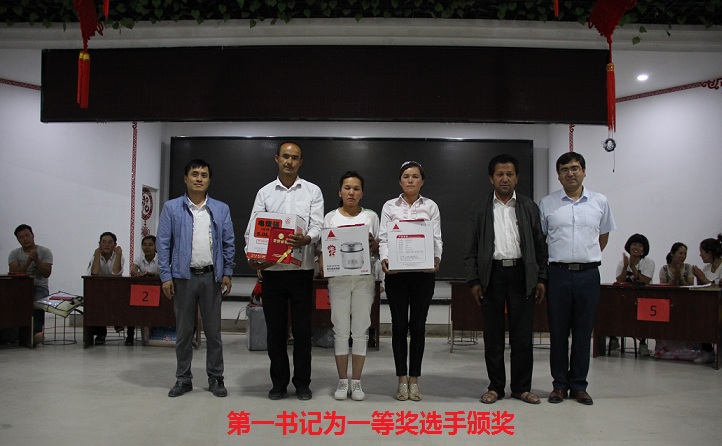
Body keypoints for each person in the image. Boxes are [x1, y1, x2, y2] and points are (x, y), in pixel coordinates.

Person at [464, 154, 548, 405]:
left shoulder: (529, 207)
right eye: (499, 174)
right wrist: (473, 280)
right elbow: (471, 247)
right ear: (491, 178)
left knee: (522, 335)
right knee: (493, 336)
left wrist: (541, 277)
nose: (504, 179)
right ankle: (496, 387)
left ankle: (521, 388)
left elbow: (540, 246)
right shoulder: (480, 208)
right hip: (492, 275)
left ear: (517, 178)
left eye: (509, 174)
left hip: (522, 274)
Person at [244, 141, 324, 401]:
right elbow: (254, 228)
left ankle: (302, 383)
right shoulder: (265, 193)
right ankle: (278, 383)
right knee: (275, 332)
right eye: (286, 156)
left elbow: (318, 225)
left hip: (302, 271)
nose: (290, 161)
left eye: (295, 157)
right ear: (277, 159)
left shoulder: (312, 191)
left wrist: (307, 238)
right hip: (272, 272)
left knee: (302, 331)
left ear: (301, 162)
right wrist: (251, 256)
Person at [539, 152, 616, 406]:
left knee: (583, 333)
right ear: (558, 175)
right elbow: (542, 239)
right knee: (558, 333)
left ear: (584, 171)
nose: (570, 173)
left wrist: (585, 257)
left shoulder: (600, 202)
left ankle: (579, 386)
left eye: (574, 168)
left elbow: (602, 237)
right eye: (564, 170)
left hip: (588, 275)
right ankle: (559, 385)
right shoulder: (547, 203)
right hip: (558, 274)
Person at [157, 159, 235, 398]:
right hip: (183, 278)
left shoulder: (220, 209)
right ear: (186, 178)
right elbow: (163, 243)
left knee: (214, 333)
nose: (199, 178)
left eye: (204, 175)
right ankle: (183, 379)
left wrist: (227, 272)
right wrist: (165, 276)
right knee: (183, 333)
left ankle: (216, 378)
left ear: (209, 180)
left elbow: (229, 243)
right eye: (194, 174)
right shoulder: (172, 208)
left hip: (212, 277)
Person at [379, 160, 442, 402]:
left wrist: (436, 258)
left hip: (423, 275)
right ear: (400, 181)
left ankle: (414, 380)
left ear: (422, 181)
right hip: (396, 275)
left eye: (415, 176)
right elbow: (384, 238)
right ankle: (401, 379)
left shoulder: (431, 206)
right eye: (406, 176)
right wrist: (385, 259)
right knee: (398, 327)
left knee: (417, 328)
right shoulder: (389, 206)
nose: (410, 180)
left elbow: (436, 238)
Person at [321, 171, 379, 401]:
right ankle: (342, 380)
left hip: (364, 280)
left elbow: (380, 247)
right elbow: (324, 248)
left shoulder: (371, 217)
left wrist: (374, 246)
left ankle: (356, 381)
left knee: (361, 330)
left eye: (356, 188)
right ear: (340, 192)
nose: (351, 192)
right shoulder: (330, 218)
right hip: (339, 280)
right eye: (347, 188)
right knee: (340, 330)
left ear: (362, 193)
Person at [8, 224, 53, 346]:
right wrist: (28, 261)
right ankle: (13, 333)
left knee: (38, 300)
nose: (25, 239)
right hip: (20, 287)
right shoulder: (14, 253)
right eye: (21, 237)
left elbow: (46, 273)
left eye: (27, 235)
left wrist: (37, 260)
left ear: (33, 235)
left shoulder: (45, 251)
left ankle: (37, 333)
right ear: (18, 239)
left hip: (39, 286)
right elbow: (14, 272)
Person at [610, 233, 655, 355]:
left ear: (644, 249)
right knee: (611, 307)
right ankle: (614, 338)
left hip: (643, 298)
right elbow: (619, 281)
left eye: (640, 245)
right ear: (629, 246)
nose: (636, 248)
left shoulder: (648, 263)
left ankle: (643, 343)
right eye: (634, 244)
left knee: (642, 313)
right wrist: (625, 267)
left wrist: (633, 267)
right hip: (625, 298)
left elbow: (645, 281)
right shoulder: (622, 262)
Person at [87, 231, 125, 345]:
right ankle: (100, 334)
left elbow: (115, 273)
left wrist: (118, 254)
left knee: (114, 297)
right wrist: (97, 255)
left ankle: (117, 321)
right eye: (103, 242)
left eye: (110, 242)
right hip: (99, 290)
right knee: (97, 301)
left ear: (115, 245)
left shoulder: (119, 256)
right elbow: (94, 273)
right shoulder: (95, 256)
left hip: (115, 289)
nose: (107, 245)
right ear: (99, 244)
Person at [691, 236, 722, 364]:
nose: (700, 255)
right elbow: (702, 287)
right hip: (709, 305)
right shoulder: (706, 268)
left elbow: (717, 288)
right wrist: (698, 277)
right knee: (697, 315)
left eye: (702, 252)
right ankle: (707, 351)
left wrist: (703, 278)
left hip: (719, 305)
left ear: (709, 253)